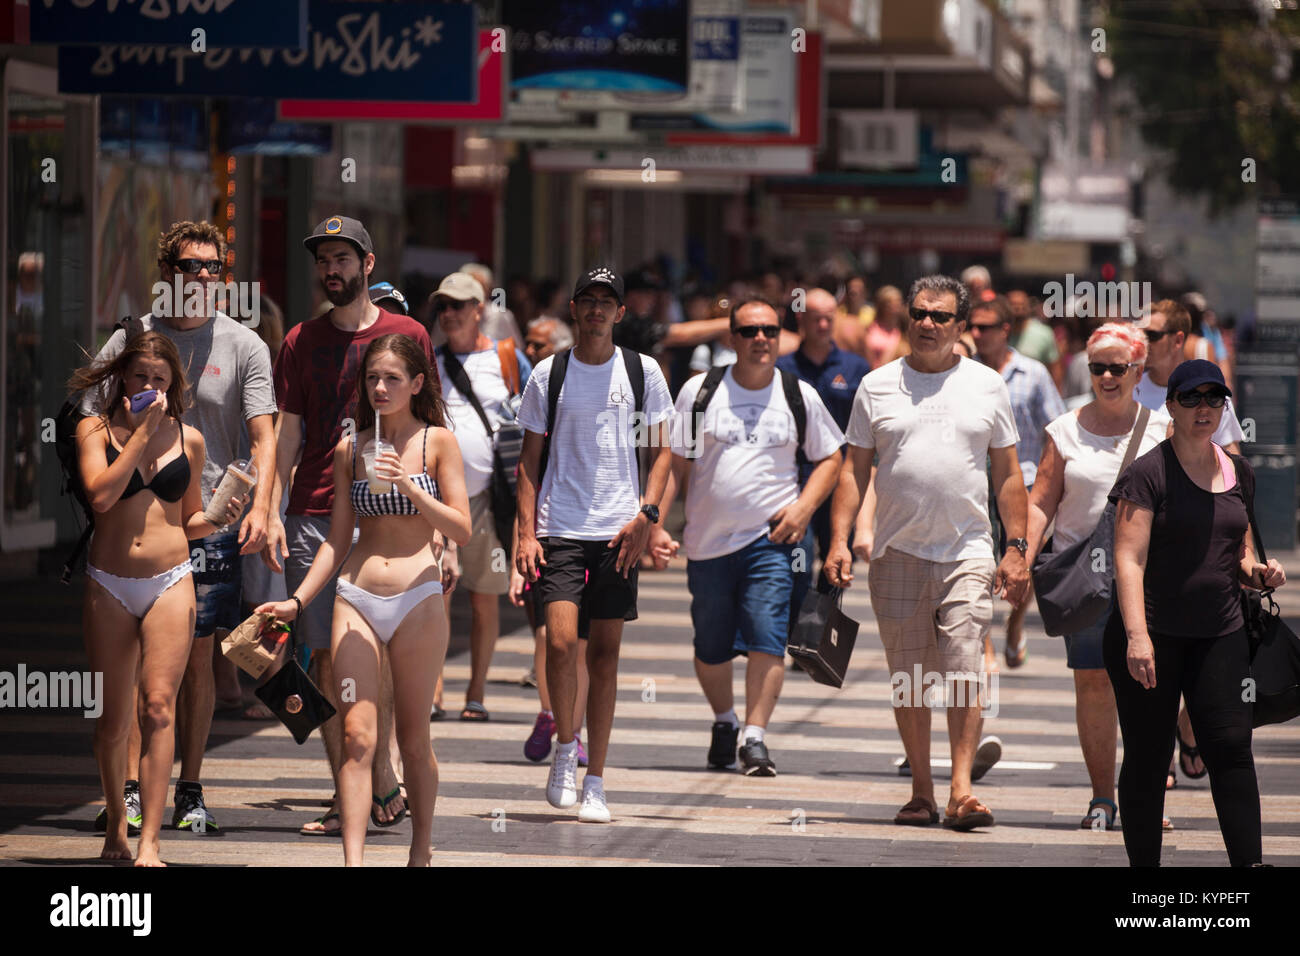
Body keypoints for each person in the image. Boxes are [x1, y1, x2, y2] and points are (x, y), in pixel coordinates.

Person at [82, 221, 277, 834]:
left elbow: (264, 436)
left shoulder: (245, 345)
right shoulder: (133, 340)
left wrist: (262, 506)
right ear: (166, 274)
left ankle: (190, 789)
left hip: (206, 523)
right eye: (188, 267)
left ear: (224, 275)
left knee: (195, 663)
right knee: (134, 674)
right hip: (132, 524)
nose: (200, 278)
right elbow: (88, 415)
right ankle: (130, 794)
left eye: (211, 268)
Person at [825, 274, 1030, 831]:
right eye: (919, 313)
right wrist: (840, 540)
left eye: (941, 316)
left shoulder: (986, 386)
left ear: (961, 326)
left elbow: (1009, 475)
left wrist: (1016, 547)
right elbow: (853, 470)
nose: (928, 324)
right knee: (910, 676)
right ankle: (922, 790)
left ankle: (962, 789)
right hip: (896, 552)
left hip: (967, 550)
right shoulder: (877, 386)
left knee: (964, 667)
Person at [257, 335, 471, 866]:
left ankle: (420, 852)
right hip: (356, 596)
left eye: (392, 378)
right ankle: (353, 861)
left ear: (417, 384)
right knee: (356, 735)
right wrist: (299, 602)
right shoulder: (351, 448)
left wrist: (417, 490)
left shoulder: (437, 442)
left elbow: (462, 528)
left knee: (415, 740)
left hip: (419, 597)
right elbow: (335, 540)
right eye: (372, 378)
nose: (380, 387)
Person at [263, 215, 436, 834]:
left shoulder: (407, 333)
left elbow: (434, 427)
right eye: (323, 260)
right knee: (327, 664)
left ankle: (377, 780)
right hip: (313, 513)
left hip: (391, 519)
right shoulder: (301, 341)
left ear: (367, 264)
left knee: (378, 658)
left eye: (342, 258)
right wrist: (268, 507)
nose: (331, 270)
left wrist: (437, 529)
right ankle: (355, 790)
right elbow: (286, 434)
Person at [71, 331, 245, 865]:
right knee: (113, 717)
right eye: (141, 376)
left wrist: (218, 518)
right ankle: (116, 835)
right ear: (123, 377)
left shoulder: (190, 440)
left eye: (161, 379)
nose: (150, 386)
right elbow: (100, 496)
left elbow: (187, 518)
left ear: (175, 385)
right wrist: (142, 434)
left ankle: (150, 843)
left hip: (171, 580)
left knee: (158, 708)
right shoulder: (94, 428)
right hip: (110, 581)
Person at [1108, 359, 1285, 866]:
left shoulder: (1238, 472)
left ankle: (1248, 867)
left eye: (1214, 398)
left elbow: (1239, 552)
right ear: (1171, 405)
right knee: (1147, 756)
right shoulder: (1147, 473)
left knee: (1231, 749)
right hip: (1154, 632)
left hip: (1220, 631)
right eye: (1192, 398)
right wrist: (1136, 637)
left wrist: (1259, 574)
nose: (1203, 408)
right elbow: (1127, 557)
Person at [658, 297, 844, 774]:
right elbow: (675, 462)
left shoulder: (798, 394)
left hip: (774, 541)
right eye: (748, 331)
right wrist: (654, 521)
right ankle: (725, 720)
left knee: (768, 636)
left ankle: (754, 737)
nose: (760, 339)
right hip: (708, 543)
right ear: (731, 338)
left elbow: (832, 458)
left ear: (781, 336)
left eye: (769, 330)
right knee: (711, 645)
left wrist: (803, 509)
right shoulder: (699, 392)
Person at [515, 266, 674, 823]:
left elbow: (662, 453)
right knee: (560, 644)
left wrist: (647, 518)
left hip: (618, 531)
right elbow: (529, 461)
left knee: (604, 657)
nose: (597, 310)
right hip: (560, 528)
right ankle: (565, 745)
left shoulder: (643, 371)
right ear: (575, 309)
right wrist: (524, 533)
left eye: (607, 301)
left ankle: (597, 781)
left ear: (621, 313)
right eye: (588, 300)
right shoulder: (548, 374)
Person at [1025, 323, 1169, 829]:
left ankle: (1146, 799)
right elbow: (1042, 500)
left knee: (1150, 686)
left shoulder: (1161, 429)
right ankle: (1103, 798)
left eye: (1119, 367)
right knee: (1092, 683)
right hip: (1085, 578)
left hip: (1149, 580)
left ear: (1139, 371)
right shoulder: (1064, 430)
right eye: (1098, 367)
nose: (1108, 376)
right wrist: (1021, 553)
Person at [432, 271, 532, 721]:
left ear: (479, 310)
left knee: (482, 596)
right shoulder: (428, 363)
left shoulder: (507, 360)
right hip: (435, 499)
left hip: (490, 500)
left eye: (458, 306)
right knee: (434, 596)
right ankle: (433, 693)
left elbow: (534, 420)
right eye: (442, 307)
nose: (449, 314)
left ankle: (476, 691)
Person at [970, 295, 1065, 669]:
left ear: (1005, 330)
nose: (976, 334)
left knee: (1020, 562)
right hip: (975, 483)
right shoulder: (964, 372)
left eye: (985, 327)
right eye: (972, 327)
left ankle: (1014, 622)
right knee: (977, 563)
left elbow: (1056, 430)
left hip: (1023, 481)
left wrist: (1048, 482)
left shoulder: (1033, 374)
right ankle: (985, 641)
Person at [776, 288, 869, 599]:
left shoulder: (856, 368)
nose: (824, 326)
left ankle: (823, 627)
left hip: (841, 478)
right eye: (816, 319)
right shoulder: (782, 368)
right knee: (798, 556)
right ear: (801, 319)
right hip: (796, 478)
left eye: (830, 319)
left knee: (838, 555)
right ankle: (799, 620)